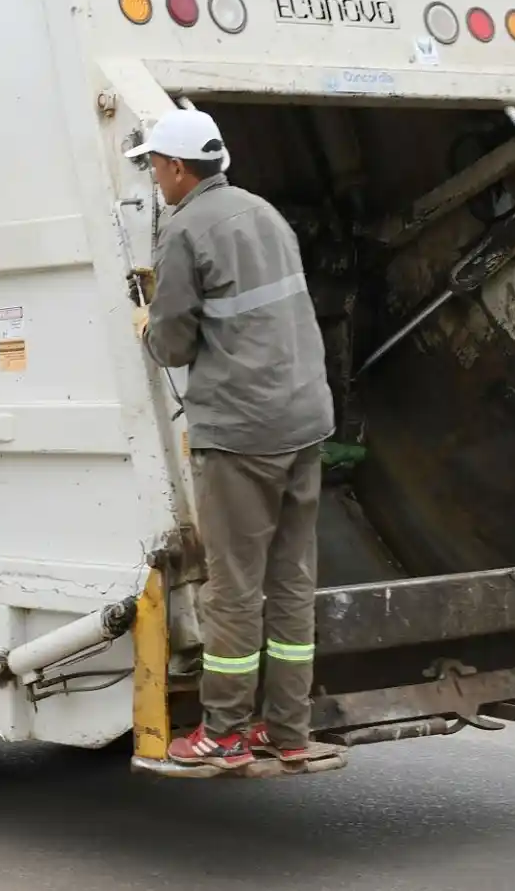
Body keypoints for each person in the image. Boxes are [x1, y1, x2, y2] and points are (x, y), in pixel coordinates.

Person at [125, 107, 334, 770]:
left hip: (244, 432)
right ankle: (291, 729)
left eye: (156, 165)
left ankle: (224, 731)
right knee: (293, 580)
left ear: (180, 169)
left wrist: (147, 326)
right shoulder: (265, 213)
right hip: (305, 420)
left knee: (235, 587)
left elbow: (174, 341)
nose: (154, 177)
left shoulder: (186, 229)